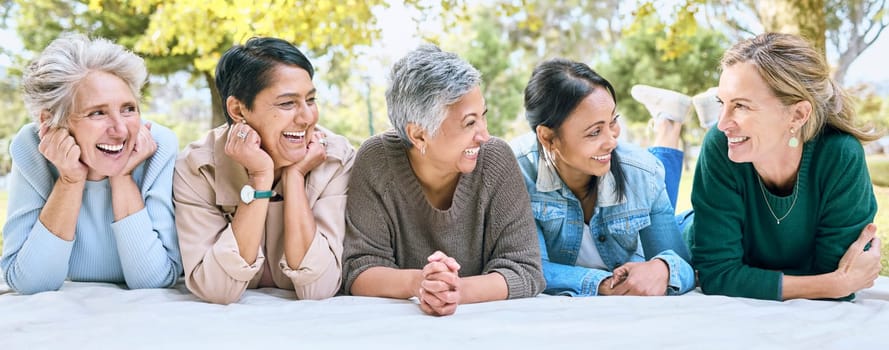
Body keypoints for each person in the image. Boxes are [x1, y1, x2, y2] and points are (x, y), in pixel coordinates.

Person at [342, 44, 544, 316]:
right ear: (419, 135)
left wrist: (456, 290)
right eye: (470, 123)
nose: (484, 135)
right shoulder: (376, 160)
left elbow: (526, 269)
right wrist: (419, 283)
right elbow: (359, 269)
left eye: (483, 116)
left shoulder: (496, 158)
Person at [691, 32, 881, 301]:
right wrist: (833, 285)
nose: (722, 124)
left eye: (741, 106)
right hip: (692, 226)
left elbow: (838, 274)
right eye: (723, 103)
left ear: (798, 114)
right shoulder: (719, 145)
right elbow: (717, 274)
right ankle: (668, 120)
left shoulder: (840, 156)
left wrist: (751, 279)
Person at [173, 37, 355, 304]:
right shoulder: (199, 167)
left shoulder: (334, 159)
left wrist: (294, 177)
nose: (307, 118)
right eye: (287, 104)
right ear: (238, 109)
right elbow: (217, 289)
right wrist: (260, 180)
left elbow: (320, 287)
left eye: (311, 99)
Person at [1, 33, 182, 294]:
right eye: (97, 113)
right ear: (51, 123)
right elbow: (30, 282)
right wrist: (70, 179)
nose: (120, 130)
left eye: (128, 109)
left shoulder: (158, 146)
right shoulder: (32, 147)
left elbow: (153, 279)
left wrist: (122, 176)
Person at [511, 58, 695, 296]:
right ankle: (667, 121)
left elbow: (681, 264)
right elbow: (531, 268)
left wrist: (663, 268)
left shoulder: (642, 171)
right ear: (547, 138)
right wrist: (604, 283)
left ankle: (669, 121)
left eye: (613, 122)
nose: (611, 141)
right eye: (594, 132)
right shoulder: (517, 173)